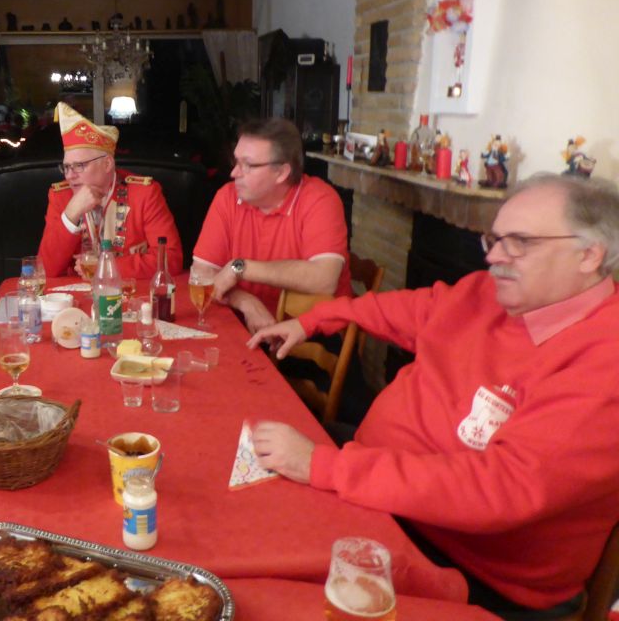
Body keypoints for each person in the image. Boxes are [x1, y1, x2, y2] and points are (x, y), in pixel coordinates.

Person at [247, 174, 619, 620]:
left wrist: (322, 466)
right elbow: (396, 310)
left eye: (519, 243)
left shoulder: (605, 358)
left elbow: (500, 489)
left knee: (261, 590)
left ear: (589, 254)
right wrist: (311, 321)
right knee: (239, 489)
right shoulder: (486, 295)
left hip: (471, 572)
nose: (493, 257)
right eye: (494, 240)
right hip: (384, 499)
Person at [192, 118, 352, 333]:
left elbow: (324, 279)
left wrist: (241, 268)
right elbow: (201, 273)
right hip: (246, 325)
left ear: (281, 173)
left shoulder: (319, 200)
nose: (234, 173)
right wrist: (245, 302)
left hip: (312, 335)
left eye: (248, 165)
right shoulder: (228, 197)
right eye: (236, 161)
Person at [37, 101, 182, 279]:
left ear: (107, 164)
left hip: (128, 293)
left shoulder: (144, 193)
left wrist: (106, 267)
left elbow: (171, 259)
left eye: (79, 166)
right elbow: (45, 270)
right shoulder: (61, 196)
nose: (69, 176)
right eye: (66, 167)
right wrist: (71, 214)